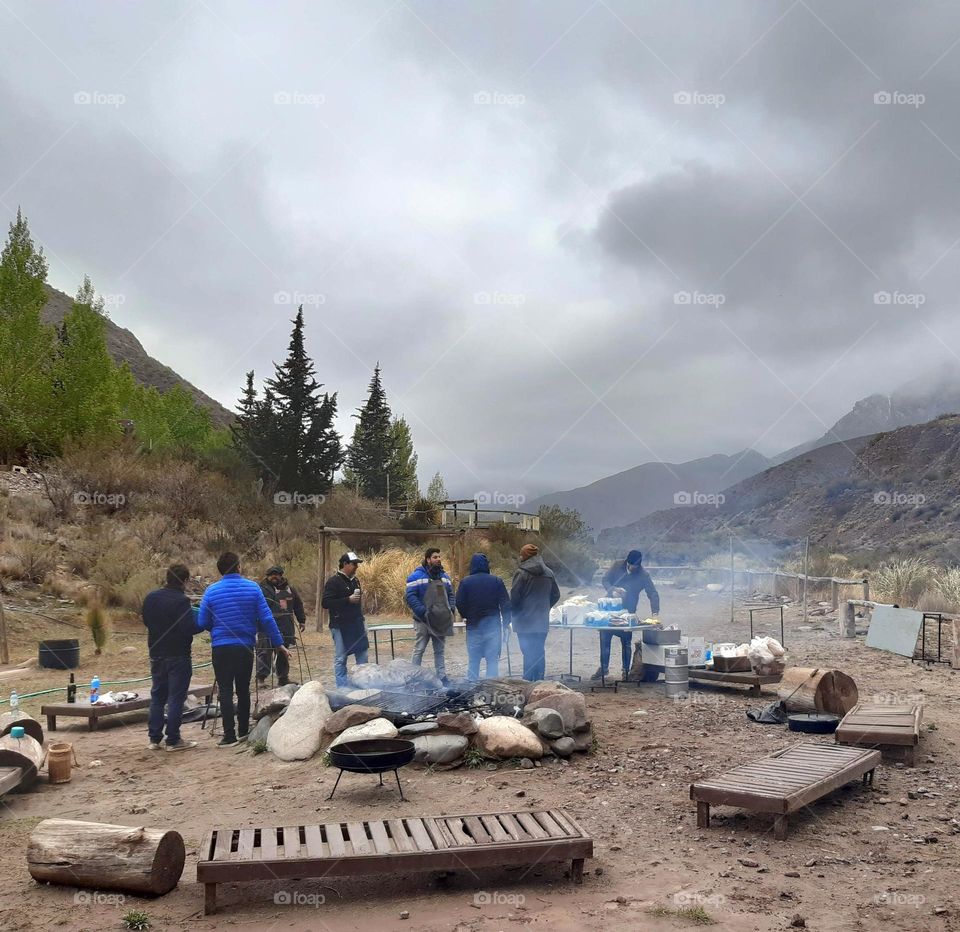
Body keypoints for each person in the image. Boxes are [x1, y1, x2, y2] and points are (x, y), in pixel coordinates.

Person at [197, 551, 291, 747]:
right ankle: (242, 731)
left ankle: (228, 736)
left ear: (220, 570)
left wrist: (218, 628)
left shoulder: (211, 591)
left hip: (221, 648)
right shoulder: (253, 588)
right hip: (245, 646)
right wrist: (279, 643)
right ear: (239, 567)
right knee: (243, 689)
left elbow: (203, 621)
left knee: (224, 690)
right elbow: (266, 618)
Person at [142, 563, 200, 752]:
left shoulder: (151, 598)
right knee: (176, 697)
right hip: (178, 655)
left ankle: (154, 738)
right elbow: (188, 628)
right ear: (184, 580)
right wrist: (205, 622)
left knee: (158, 696)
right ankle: (173, 739)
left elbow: (146, 621)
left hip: (156, 653)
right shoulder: (181, 601)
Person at [594, 549, 660, 682]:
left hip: (628, 612)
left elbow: (652, 593)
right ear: (627, 562)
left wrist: (655, 613)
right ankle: (603, 667)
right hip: (610, 610)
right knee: (604, 638)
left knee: (626, 642)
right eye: (630, 565)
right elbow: (605, 580)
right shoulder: (617, 565)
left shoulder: (643, 575)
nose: (631, 568)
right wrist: (613, 590)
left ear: (639, 565)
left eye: (634, 567)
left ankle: (625, 671)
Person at [455, 552, 511, 681]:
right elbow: (506, 604)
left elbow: (459, 603)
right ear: (487, 565)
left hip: (473, 627)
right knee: (492, 660)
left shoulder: (465, 582)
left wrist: (466, 615)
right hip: (493, 628)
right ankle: (491, 687)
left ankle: (472, 688)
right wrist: (506, 622)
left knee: (474, 660)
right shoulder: (496, 581)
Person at [405, 547, 456, 686]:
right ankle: (413, 677)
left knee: (439, 651)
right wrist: (422, 611)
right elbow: (410, 596)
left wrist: (451, 608)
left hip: (440, 621)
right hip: (422, 621)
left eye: (439, 557)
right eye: (435, 557)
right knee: (419, 649)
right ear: (428, 560)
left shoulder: (445, 577)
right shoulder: (415, 576)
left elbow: (451, 594)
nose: (438, 559)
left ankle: (442, 676)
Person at [510, 543, 560, 681]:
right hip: (541, 621)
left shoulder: (521, 573)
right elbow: (556, 595)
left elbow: (514, 597)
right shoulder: (549, 573)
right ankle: (539, 682)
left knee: (527, 652)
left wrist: (517, 613)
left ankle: (528, 681)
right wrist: (545, 607)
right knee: (539, 651)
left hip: (524, 622)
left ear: (525, 556)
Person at [321, 552, 370, 688]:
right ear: (345, 564)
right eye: (354, 564)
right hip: (340, 625)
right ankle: (342, 687)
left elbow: (358, 603)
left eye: (357, 564)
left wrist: (363, 620)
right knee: (341, 657)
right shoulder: (333, 581)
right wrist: (347, 599)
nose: (356, 567)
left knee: (363, 654)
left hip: (356, 623)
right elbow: (325, 602)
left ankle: (363, 684)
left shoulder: (355, 580)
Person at [256, 565, 306, 687]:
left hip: (285, 625)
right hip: (265, 625)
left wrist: (302, 620)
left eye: (277, 574)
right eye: (271, 574)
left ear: (281, 575)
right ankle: (261, 679)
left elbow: (298, 604)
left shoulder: (289, 589)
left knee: (284, 653)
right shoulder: (260, 589)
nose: (274, 576)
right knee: (265, 652)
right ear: (267, 576)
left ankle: (283, 678)